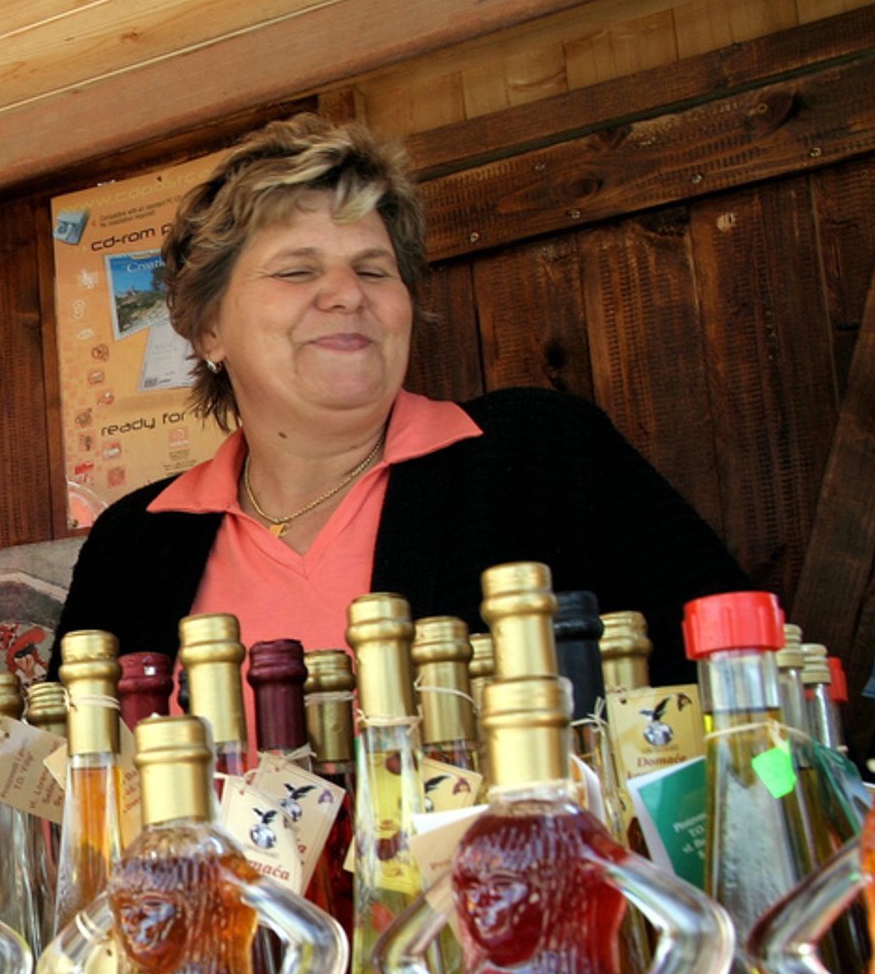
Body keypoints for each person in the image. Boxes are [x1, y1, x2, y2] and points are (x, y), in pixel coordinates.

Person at [55, 114, 747, 687]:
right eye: (298, 270)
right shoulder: (132, 545)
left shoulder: (541, 455)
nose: (346, 292)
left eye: (373, 269)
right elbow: (73, 804)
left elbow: (751, 680)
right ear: (208, 328)